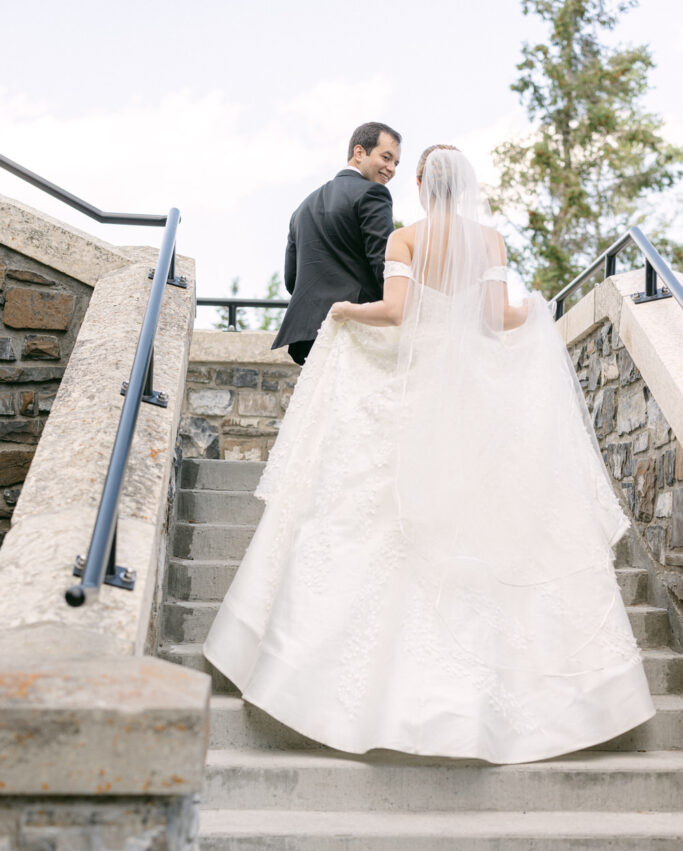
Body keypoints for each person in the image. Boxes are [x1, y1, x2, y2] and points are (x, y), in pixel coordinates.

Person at [204, 144, 655, 764]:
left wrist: (343, 310)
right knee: (485, 513)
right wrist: (536, 310)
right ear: (464, 186)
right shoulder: (490, 241)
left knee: (381, 514)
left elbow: (395, 312)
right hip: (472, 395)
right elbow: (497, 319)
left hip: (419, 389)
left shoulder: (407, 239)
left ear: (420, 182)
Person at [271, 121, 402, 366]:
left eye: (395, 163)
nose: (391, 168)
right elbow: (383, 266)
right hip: (358, 330)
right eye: (386, 157)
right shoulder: (374, 194)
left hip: (309, 338)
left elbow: (292, 281)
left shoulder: (302, 208)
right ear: (359, 152)